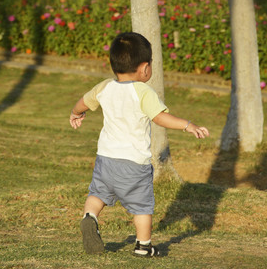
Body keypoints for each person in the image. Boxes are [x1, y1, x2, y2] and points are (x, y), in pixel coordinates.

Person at [69, 32, 210, 257]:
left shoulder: (105, 87)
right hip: (134, 163)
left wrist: (76, 113)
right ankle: (144, 245)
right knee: (142, 205)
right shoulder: (143, 92)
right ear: (145, 68)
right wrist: (187, 125)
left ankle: (90, 217)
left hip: (105, 159)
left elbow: (83, 102)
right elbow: (159, 117)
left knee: (98, 194)